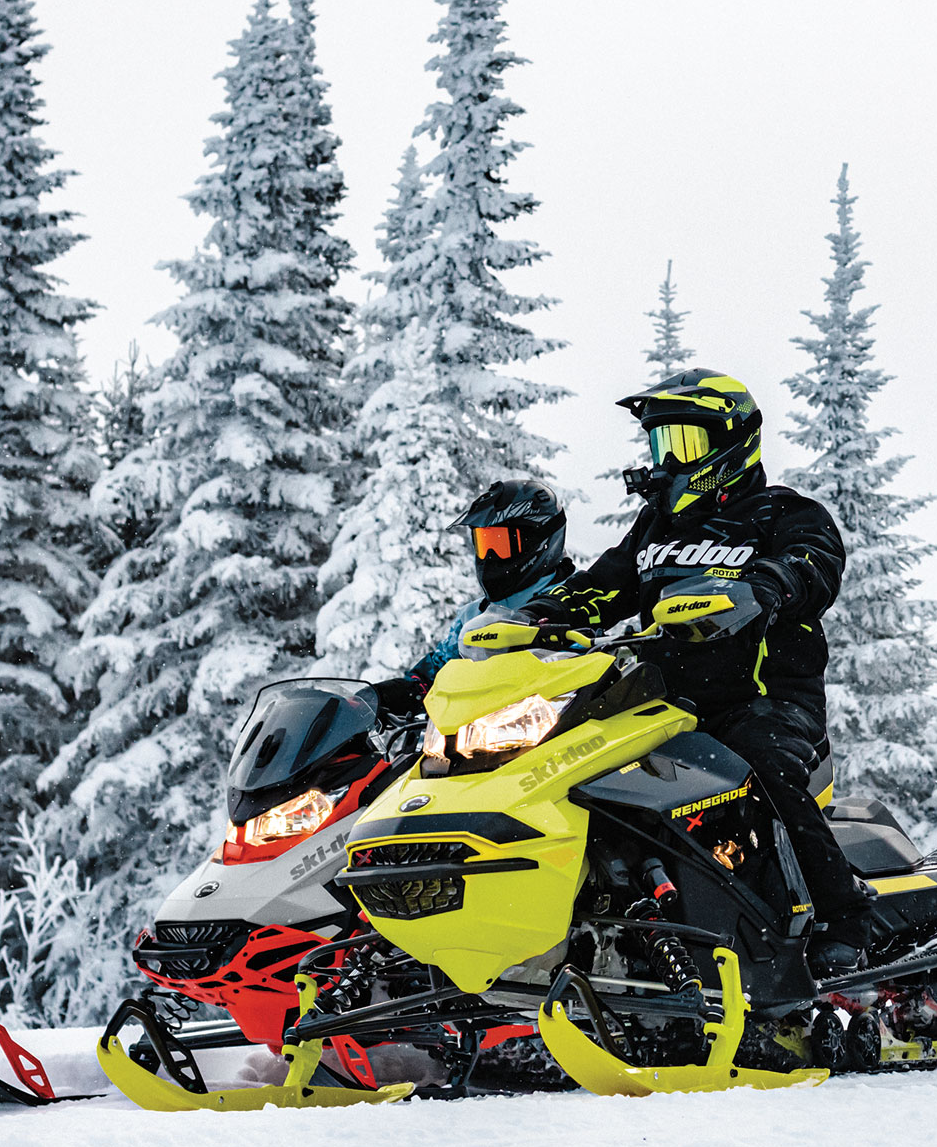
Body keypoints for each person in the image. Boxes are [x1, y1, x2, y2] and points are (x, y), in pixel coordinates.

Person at [526, 369, 880, 953]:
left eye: (684, 442)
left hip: (764, 703)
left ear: (731, 441)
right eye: (661, 443)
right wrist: (540, 616)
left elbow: (815, 564)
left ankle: (845, 919)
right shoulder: (654, 528)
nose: (669, 459)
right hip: (660, 707)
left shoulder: (785, 514)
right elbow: (603, 586)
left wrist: (770, 583)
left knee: (764, 766)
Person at [370, 480, 576, 723]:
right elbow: (437, 671)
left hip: (551, 734)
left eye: (500, 544)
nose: (490, 557)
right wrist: (381, 698)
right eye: (485, 544)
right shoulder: (475, 615)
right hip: (480, 743)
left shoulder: (574, 603)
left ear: (540, 542)